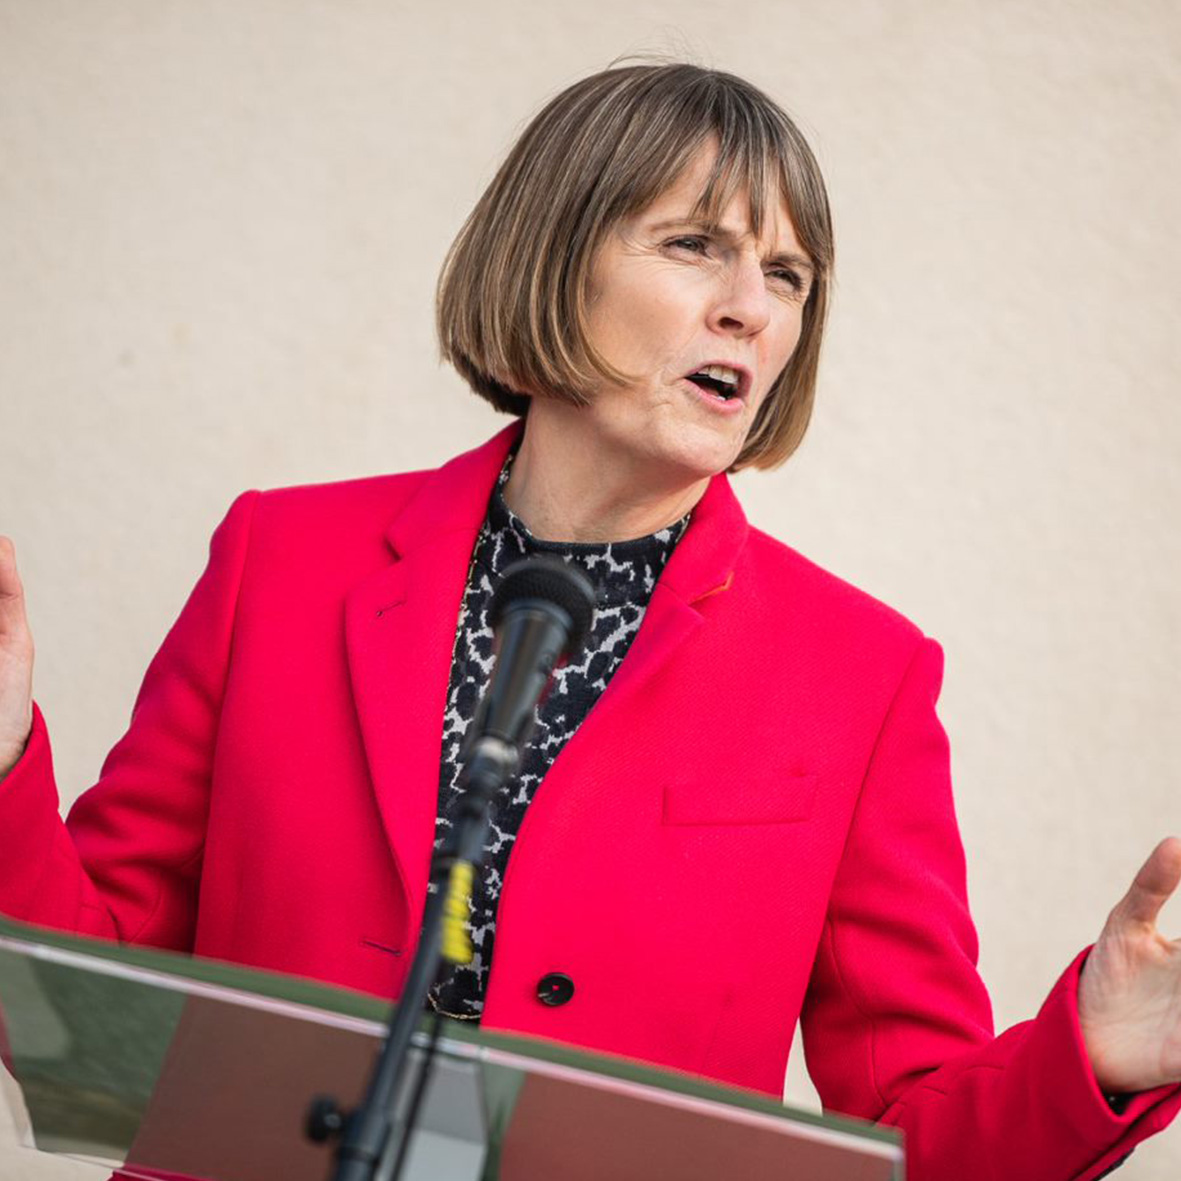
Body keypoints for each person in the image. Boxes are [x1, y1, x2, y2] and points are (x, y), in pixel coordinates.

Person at [0, 62, 1179, 1179]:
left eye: (786, 275)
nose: (749, 308)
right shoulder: (281, 562)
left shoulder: (860, 674)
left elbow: (902, 1134)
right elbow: (82, 1006)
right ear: (556, 258)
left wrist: (1092, 1056)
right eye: (695, 245)